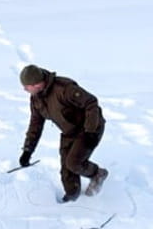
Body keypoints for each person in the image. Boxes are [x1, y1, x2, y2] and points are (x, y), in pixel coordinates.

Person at [18, 64, 109, 202]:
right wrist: (28, 150)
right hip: (69, 131)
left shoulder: (64, 88)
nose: (24, 89)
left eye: (26, 86)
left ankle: (98, 174)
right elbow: (35, 125)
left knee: (74, 163)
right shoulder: (36, 98)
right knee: (66, 171)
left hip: (89, 128)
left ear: (36, 84)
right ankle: (72, 199)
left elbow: (91, 103)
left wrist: (90, 131)